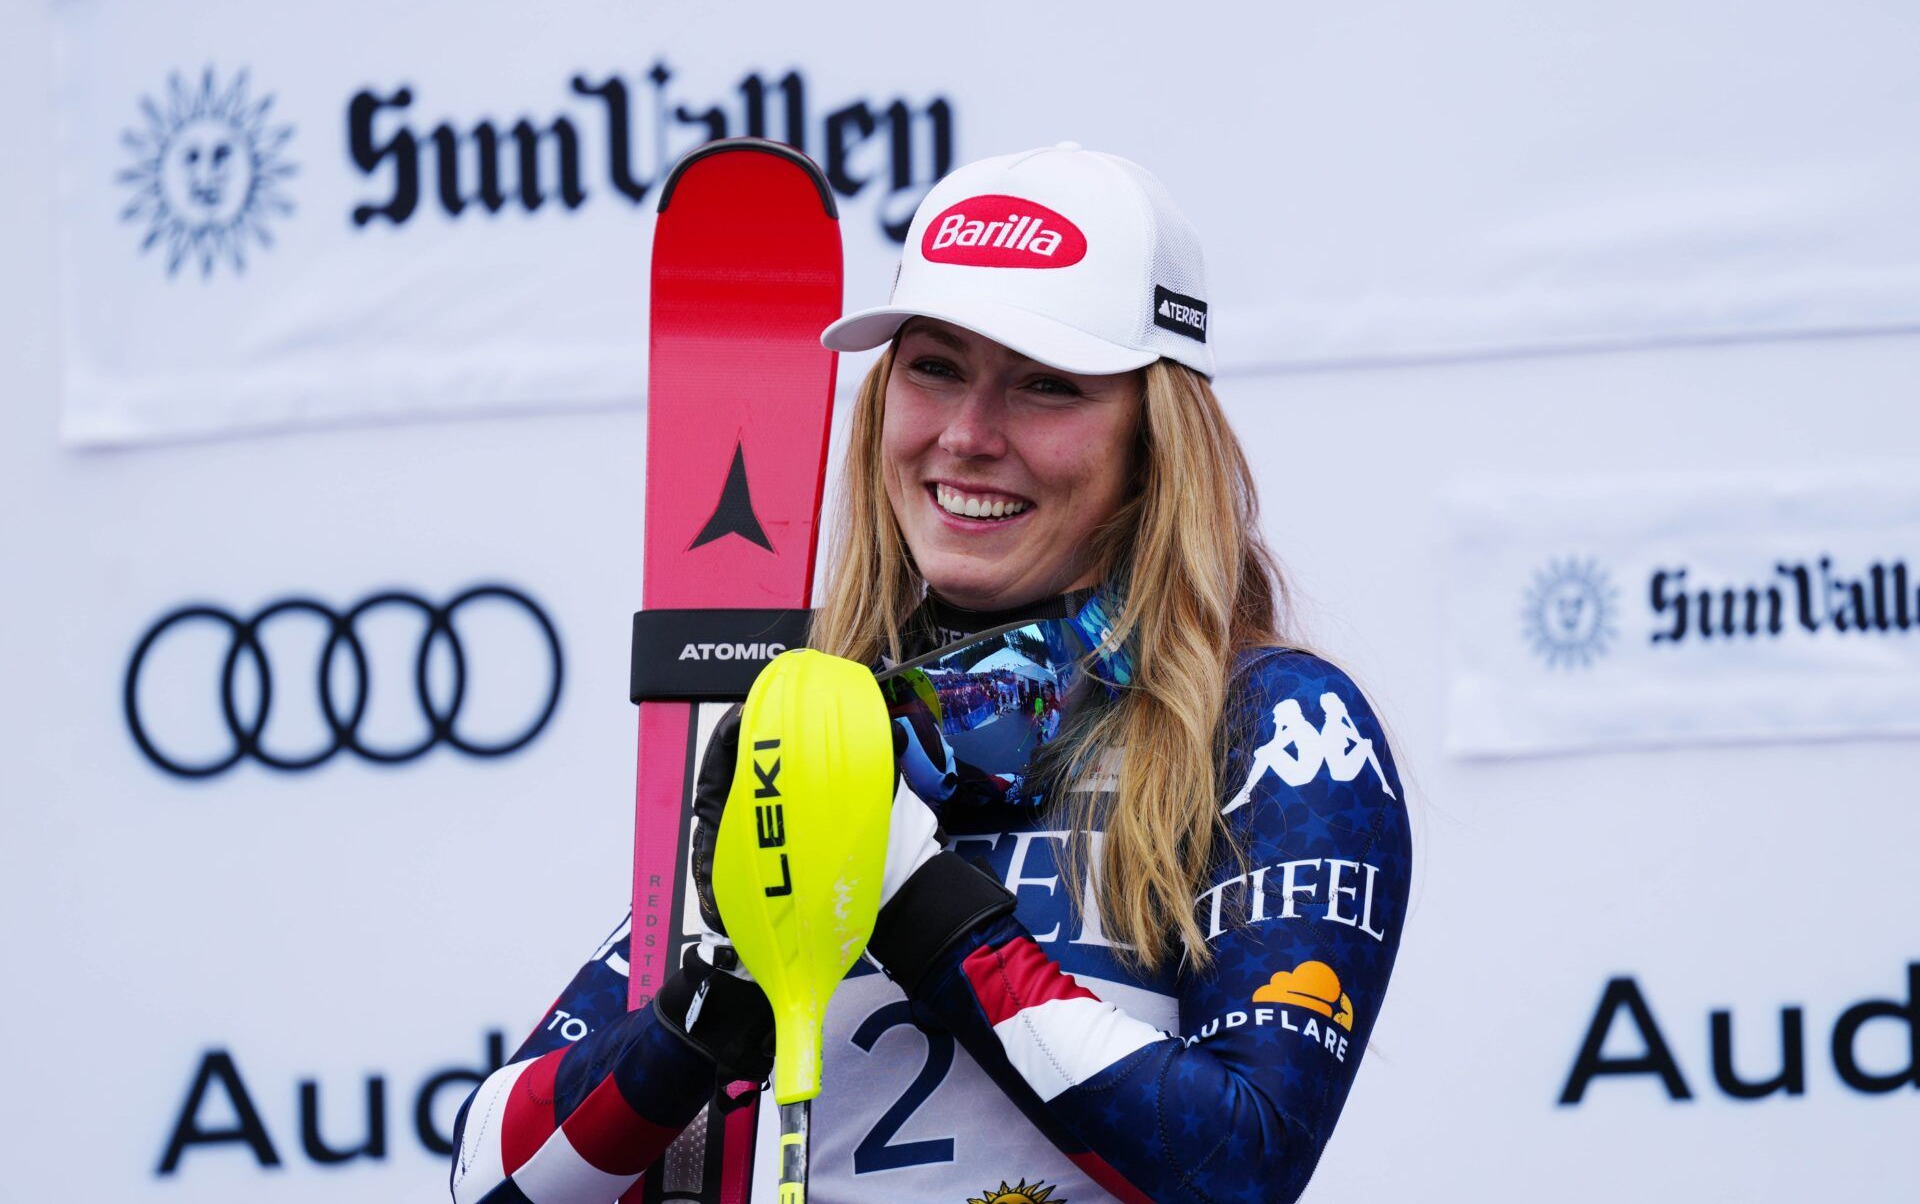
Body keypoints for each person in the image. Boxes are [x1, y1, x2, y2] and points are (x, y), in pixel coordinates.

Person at [448, 142, 1413, 1204]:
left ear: (1153, 438)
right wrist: (704, 999)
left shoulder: (1269, 727)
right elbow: (487, 1181)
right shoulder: (812, 728)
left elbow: (1241, 1164)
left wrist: (917, 901)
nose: (966, 435)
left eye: (1047, 385)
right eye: (935, 366)